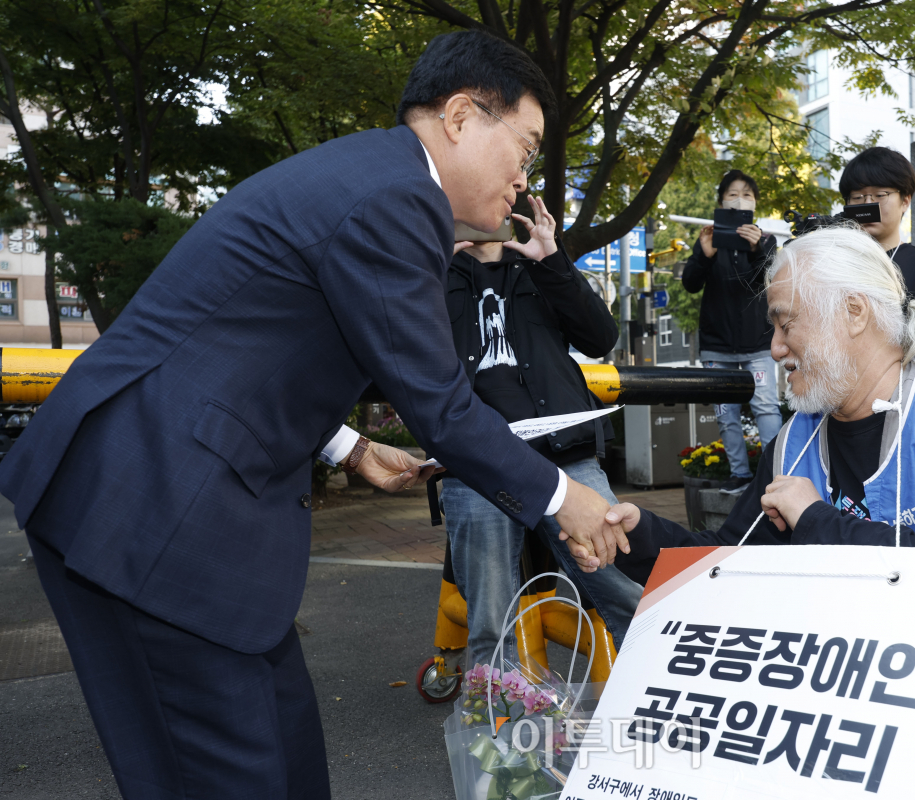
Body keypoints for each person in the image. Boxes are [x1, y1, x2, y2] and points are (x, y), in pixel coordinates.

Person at [0, 31, 629, 800]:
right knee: (222, 776)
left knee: (285, 753)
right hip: (150, 509)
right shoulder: (399, 197)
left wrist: (348, 447)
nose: (525, 178)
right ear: (462, 116)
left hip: (181, 503)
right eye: (524, 148)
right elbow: (441, 404)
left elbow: (255, 342)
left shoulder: (373, 179)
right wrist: (565, 499)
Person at [570, 225, 915, 800]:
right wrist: (636, 535)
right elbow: (732, 566)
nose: (775, 347)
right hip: (871, 662)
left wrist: (816, 520)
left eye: (785, 323)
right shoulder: (796, 440)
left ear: (853, 312)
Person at [442, 197, 643, 665]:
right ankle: (495, 711)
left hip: (564, 451)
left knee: (622, 584)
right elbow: (397, 349)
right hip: (476, 460)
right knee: (491, 619)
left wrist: (552, 259)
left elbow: (600, 338)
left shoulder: (539, 266)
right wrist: (430, 268)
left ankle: (662, 687)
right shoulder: (433, 274)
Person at [682, 169, 782, 495]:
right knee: (726, 414)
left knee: (766, 407)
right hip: (716, 344)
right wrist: (703, 254)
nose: (740, 201)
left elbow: (768, 284)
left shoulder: (766, 241)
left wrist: (757, 250)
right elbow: (690, 283)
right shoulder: (709, 240)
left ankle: (774, 475)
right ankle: (740, 475)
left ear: (755, 204)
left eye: (747, 195)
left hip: (758, 342)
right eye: (733, 195)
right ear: (721, 202)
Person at [839, 146, 915, 321]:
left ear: (905, 201)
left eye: (880, 195)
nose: (868, 204)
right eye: (858, 197)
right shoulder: (834, 261)